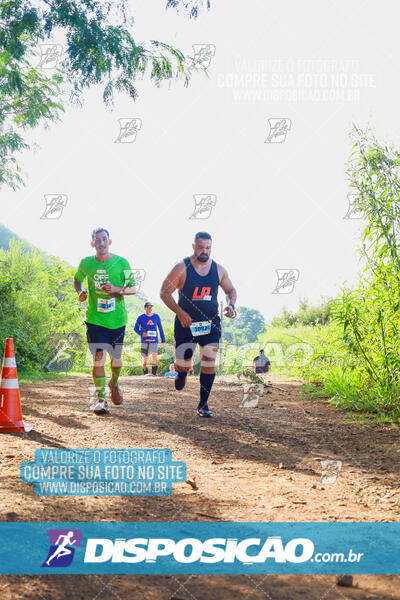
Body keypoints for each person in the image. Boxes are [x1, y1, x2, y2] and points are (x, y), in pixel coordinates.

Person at [160, 232, 237, 417]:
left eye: (208, 248)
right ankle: (182, 373)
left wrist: (231, 305)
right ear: (193, 246)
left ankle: (203, 404)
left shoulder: (219, 270)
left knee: (209, 361)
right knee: (183, 364)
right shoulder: (181, 267)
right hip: (186, 323)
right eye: (201, 247)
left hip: (210, 323)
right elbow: (164, 292)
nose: (205, 251)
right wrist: (180, 312)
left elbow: (231, 290)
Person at [74, 227, 136, 415]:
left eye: (104, 239)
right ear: (93, 243)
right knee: (98, 357)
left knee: (116, 361)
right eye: (97, 240)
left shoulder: (121, 262)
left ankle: (114, 383)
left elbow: (132, 289)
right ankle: (101, 400)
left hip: (117, 320)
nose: (101, 243)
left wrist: (116, 288)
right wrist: (81, 292)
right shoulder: (86, 263)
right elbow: (77, 280)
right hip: (95, 318)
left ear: (109, 241)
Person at [134, 302, 166, 375]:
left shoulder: (156, 317)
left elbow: (160, 328)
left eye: (151, 307)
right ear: (145, 308)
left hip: (154, 341)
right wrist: (141, 333)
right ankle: (146, 375)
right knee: (145, 361)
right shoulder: (140, 317)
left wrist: (163, 340)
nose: (150, 308)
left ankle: (154, 375)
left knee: (155, 358)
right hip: (145, 341)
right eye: (149, 307)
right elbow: (135, 328)